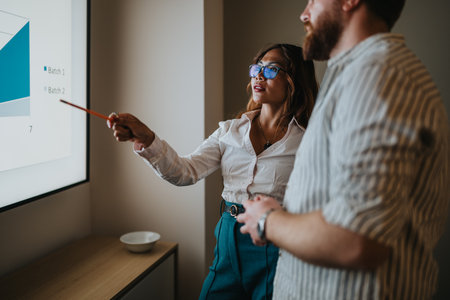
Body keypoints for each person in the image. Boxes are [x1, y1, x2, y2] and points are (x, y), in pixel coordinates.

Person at [237, 0, 450, 299]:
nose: (304, 13)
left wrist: (267, 220)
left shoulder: (376, 77)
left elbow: (356, 239)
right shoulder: (356, 76)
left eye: (314, 0)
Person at [107, 43, 318, 299]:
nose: (259, 76)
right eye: (256, 68)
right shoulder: (229, 131)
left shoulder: (308, 141)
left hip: (276, 244)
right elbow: (186, 172)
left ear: (293, 81)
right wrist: (147, 139)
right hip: (228, 237)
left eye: (272, 69)